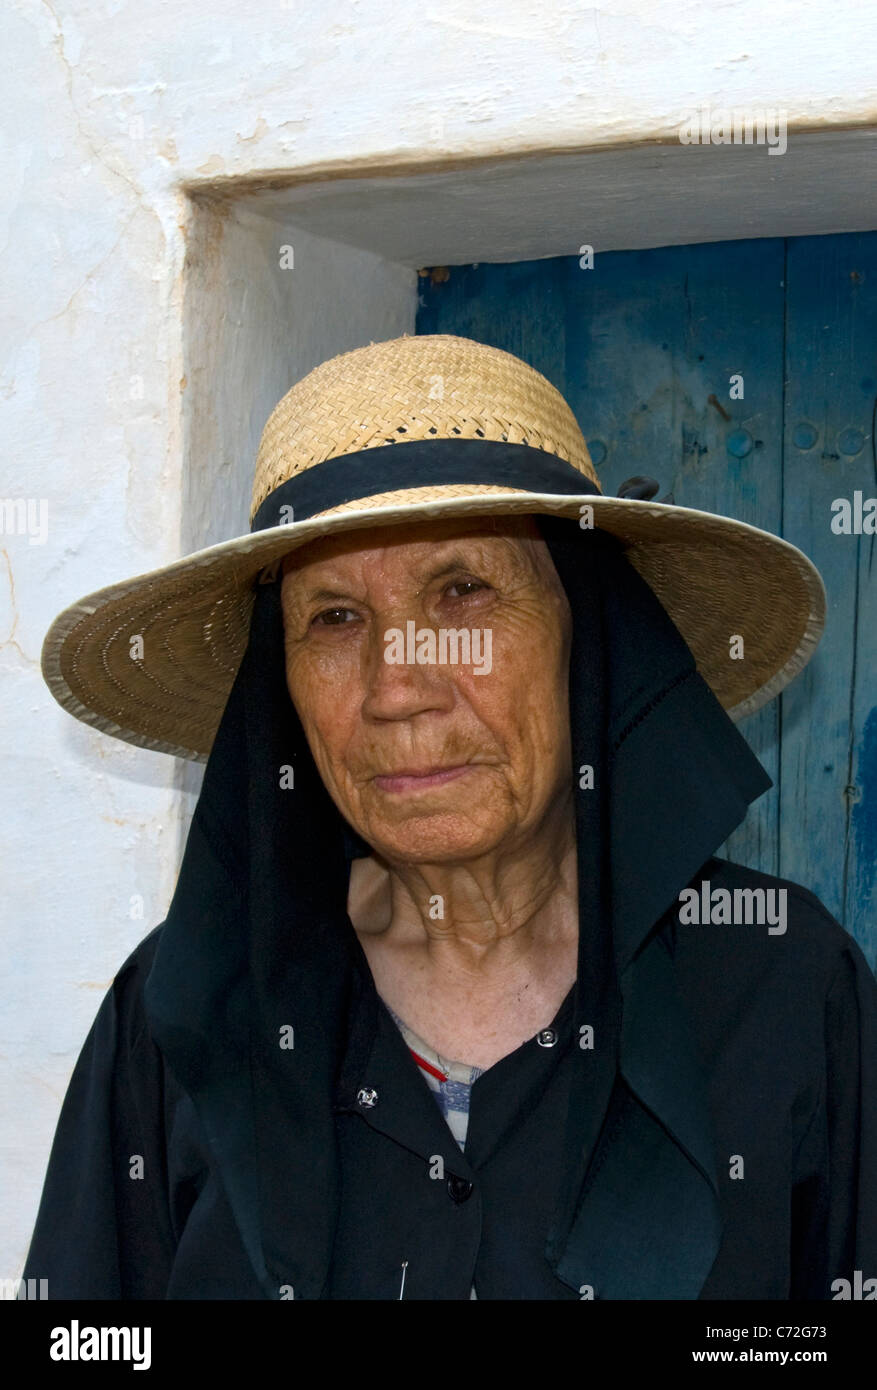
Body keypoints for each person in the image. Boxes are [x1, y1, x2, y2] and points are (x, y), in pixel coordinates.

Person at [23, 334, 877, 1299]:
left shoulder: (781, 984)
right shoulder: (185, 1008)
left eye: (463, 591)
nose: (397, 690)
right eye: (335, 618)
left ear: (588, 641)